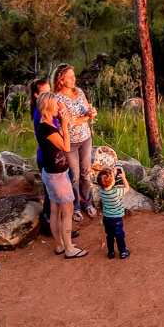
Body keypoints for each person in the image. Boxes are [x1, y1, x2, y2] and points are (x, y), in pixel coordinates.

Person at [34, 91, 87, 259]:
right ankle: (69, 249)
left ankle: (60, 245)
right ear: (49, 107)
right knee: (67, 210)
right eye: (56, 104)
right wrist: (64, 124)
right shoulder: (48, 128)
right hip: (56, 176)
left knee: (55, 211)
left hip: (51, 173)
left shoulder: (46, 122)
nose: (59, 106)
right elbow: (65, 146)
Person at [52, 64, 99, 220]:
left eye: (74, 76)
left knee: (85, 174)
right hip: (69, 142)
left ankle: (88, 204)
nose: (74, 79)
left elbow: (87, 109)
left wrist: (91, 112)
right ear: (61, 79)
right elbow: (68, 123)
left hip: (85, 138)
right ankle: (76, 207)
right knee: (74, 176)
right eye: (70, 77)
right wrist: (86, 117)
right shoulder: (57, 98)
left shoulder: (79, 92)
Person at [96, 166, 130, 259]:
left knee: (110, 236)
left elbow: (107, 183)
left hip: (107, 218)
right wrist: (123, 177)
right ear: (112, 181)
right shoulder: (116, 192)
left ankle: (111, 252)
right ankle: (122, 252)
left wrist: (113, 174)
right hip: (117, 219)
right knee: (119, 236)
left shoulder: (102, 190)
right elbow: (127, 188)